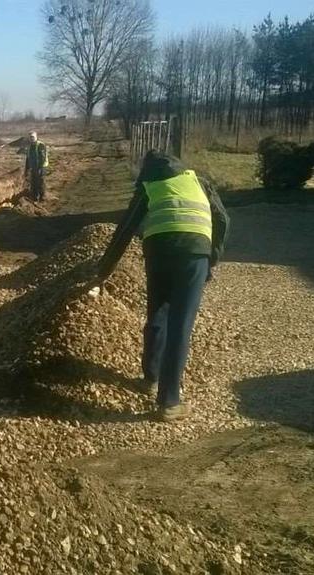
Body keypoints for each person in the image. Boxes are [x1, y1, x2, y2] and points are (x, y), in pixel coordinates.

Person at [95, 150, 230, 422]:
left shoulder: (149, 186)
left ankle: (151, 378)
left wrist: (102, 271)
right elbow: (223, 220)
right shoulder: (198, 181)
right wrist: (211, 259)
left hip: (158, 251)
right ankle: (169, 402)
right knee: (181, 323)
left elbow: (125, 228)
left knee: (157, 311)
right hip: (194, 254)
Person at [24, 131, 49, 201]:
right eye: (30, 137)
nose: (31, 138)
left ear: (36, 137)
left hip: (41, 166)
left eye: (33, 137)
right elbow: (28, 158)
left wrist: (40, 168)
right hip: (33, 167)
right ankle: (34, 197)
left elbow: (42, 157)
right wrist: (26, 169)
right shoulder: (29, 146)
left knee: (40, 181)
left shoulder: (41, 145)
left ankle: (42, 197)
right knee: (33, 181)